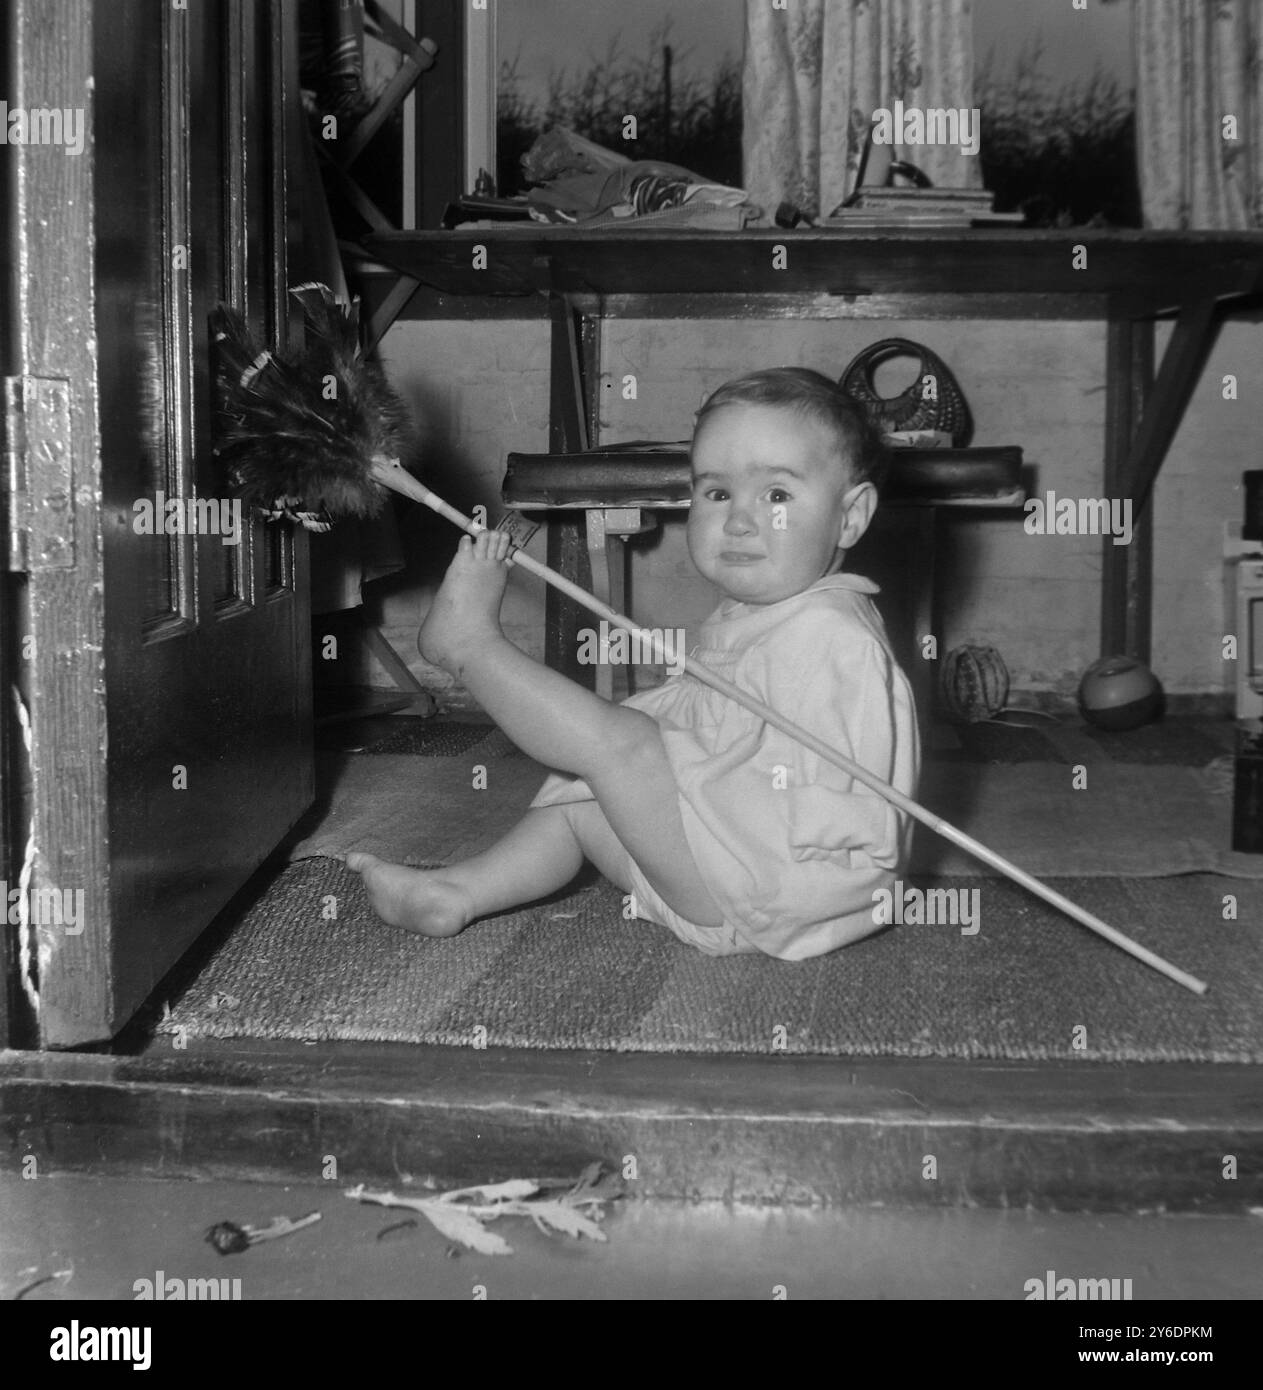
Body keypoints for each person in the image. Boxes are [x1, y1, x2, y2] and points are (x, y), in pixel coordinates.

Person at [347, 367, 920, 958]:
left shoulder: (833, 636)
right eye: (717, 492)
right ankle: (456, 892)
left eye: (776, 494)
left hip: (768, 887)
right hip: (714, 874)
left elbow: (852, 801)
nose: (740, 519)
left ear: (850, 517)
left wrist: (669, 765)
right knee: (581, 792)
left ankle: (467, 645)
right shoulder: (770, 612)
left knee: (624, 746)